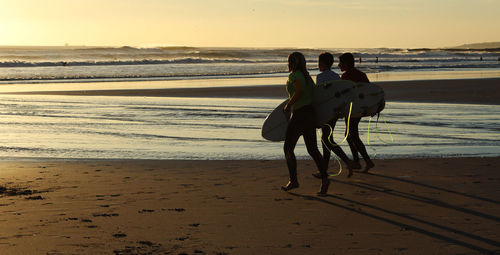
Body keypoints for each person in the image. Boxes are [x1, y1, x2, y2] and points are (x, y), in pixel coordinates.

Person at [281, 52, 329, 195]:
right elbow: (315, 95)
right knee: (312, 149)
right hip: (310, 114)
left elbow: (299, 92)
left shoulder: (294, 76)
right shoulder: (308, 78)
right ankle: (325, 180)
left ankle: (294, 180)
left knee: (288, 148)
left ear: (291, 62)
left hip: (300, 114)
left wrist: (289, 105)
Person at [315, 52, 354, 178]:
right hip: (335, 111)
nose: (318, 65)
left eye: (318, 62)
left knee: (326, 139)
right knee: (327, 139)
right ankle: (324, 170)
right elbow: (340, 96)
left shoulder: (320, 77)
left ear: (322, 63)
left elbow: (320, 96)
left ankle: (347, 162)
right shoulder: (337, 76)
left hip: (325, 111)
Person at [338, 53, 375, 172]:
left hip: (351, 110)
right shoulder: (362, 75)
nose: (338, 65)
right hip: (361, 109)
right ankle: (358, 161)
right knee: (350, 135)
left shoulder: (345, 78)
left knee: (352, 135)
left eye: (340, 63)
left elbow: (341, 96)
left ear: (346, 64)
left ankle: (364, 162)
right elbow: (370, 92)